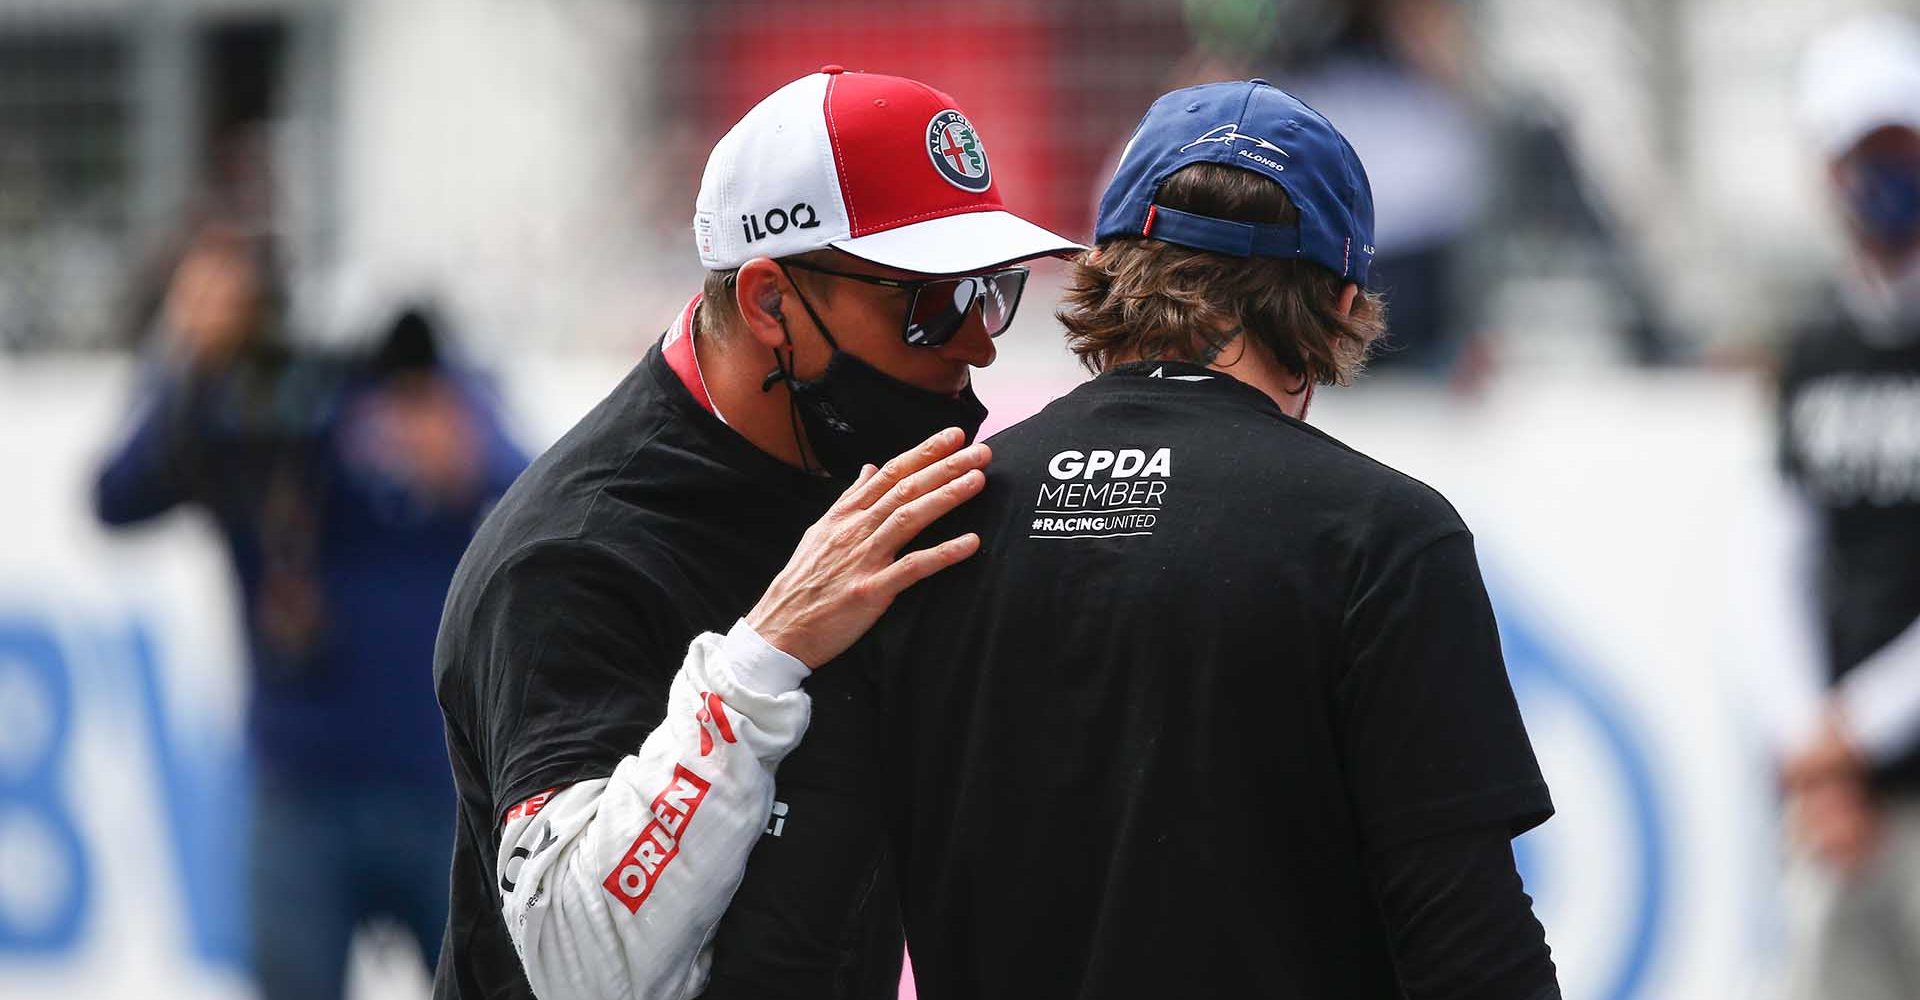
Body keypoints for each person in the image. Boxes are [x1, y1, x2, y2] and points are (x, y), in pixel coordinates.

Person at [865, 79, 1560, 999]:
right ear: (1345, 300)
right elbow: (1471, 943)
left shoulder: (932, 513)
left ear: (1107, 258)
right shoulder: (1379, 535)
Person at [431, 66, 1080, 1000]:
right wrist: (761, 661)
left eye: (992, 289)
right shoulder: (571, 557)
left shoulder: (863, 468)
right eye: (931, 303)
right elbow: (577, 963)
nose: (978, 343)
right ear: (773, 301)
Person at [94, 224, 528, 1000]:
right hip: (299, 789)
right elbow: (116, 499)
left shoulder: (423, 380)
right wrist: (189, 355)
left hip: (444, 786)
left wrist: (449, 439)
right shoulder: (233, 404)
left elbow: (523, 481)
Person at [1761, 17, 1920, 999]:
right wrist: (1814, 749)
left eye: (1896, 146)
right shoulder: (1816, 347)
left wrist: (1849, 731)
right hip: (1843, 805)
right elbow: (1773, 551)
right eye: (1858, 151)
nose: (1880, 174)